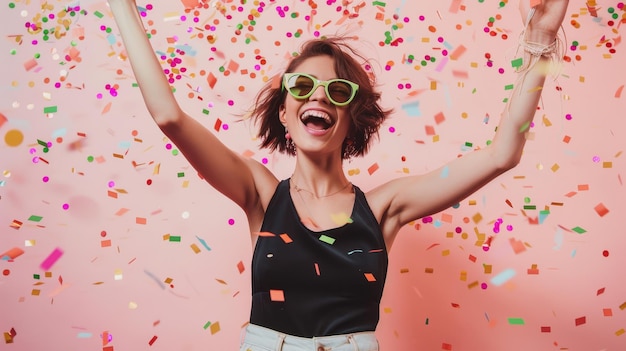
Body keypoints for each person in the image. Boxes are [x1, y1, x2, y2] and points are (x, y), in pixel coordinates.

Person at [108, 0, 569, 350]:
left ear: (351, 118)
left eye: (337, 91)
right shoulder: (261, 195)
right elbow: (169, 116)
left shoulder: (384, 208)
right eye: (303, 86)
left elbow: (503, 154)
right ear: (285, 114)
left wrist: (541, 43)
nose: (320, 97)